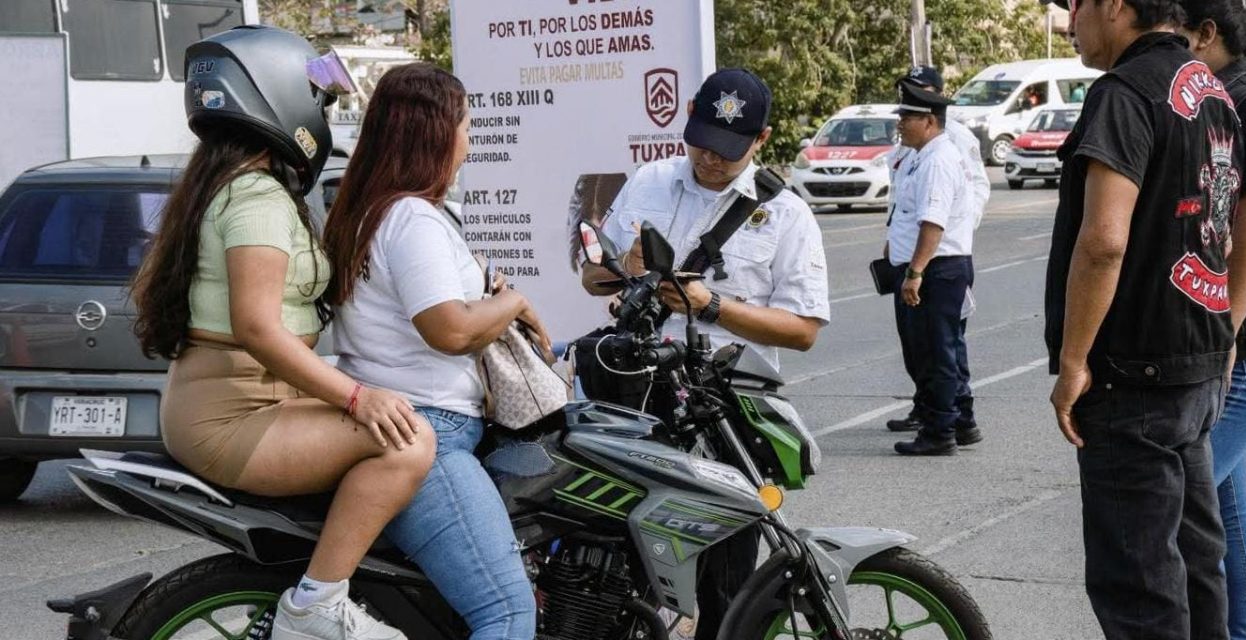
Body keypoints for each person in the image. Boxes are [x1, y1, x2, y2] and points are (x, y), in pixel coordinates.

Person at [131, 25, 433, 640]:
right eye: (318, 101)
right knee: (408, 443)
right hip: (237, 415)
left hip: (241, 401)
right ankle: (316, 605)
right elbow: (258, 329)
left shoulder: (232, 185)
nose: (322, 114)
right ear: (275, 97)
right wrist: (357, 396)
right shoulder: (256, 197)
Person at [580, 68, 829, 640]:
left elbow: (803, 330)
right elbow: (594, 276)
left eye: (727, 150)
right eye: (701, 141)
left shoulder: (786, 215)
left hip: (723, 409)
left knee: (725, 576)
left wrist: (710, 304)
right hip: (637, 394)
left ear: (761, 139)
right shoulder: (650, 182)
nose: (709, 160)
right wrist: (623, 272)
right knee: (615, 559)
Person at [324, 63, 547, 640]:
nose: (469, 143)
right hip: (430, 432)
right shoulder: (412, 217)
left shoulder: (365, 212)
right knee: (507, 612)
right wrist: (515, 300)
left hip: (400, 419)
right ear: (435, 133)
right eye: (466, 126)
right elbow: (448, 329)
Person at [1043, 0, 1243, 637]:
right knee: (1195, 563)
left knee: (1139, 582)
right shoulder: (1211, 87)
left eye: (1077, 6)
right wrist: (1225, 327)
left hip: (1133, 372)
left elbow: (1104, 239)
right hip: (1197, 354)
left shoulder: (1124, 92)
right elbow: (1221, 231)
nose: (1072, 21)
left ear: (1115, 6)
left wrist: (1073, 362)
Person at [1178, 2, 1246, 638]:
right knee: (1229, 510)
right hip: (1238, 338)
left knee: (1177, 502)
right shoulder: (1221, 95)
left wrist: (1225, 333)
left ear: (1208, 34)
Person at [885, 66, 990, 440]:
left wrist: (920, 266)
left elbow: (938, 216)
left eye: (907, 113)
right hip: (924, 258)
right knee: (926, 348)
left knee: (940, 350)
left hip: (938, 263)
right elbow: (904, 203)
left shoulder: (945, 149)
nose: (900, 121)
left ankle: (943, 425)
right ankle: (946, 416)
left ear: (930, 116)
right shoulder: (916, 151)